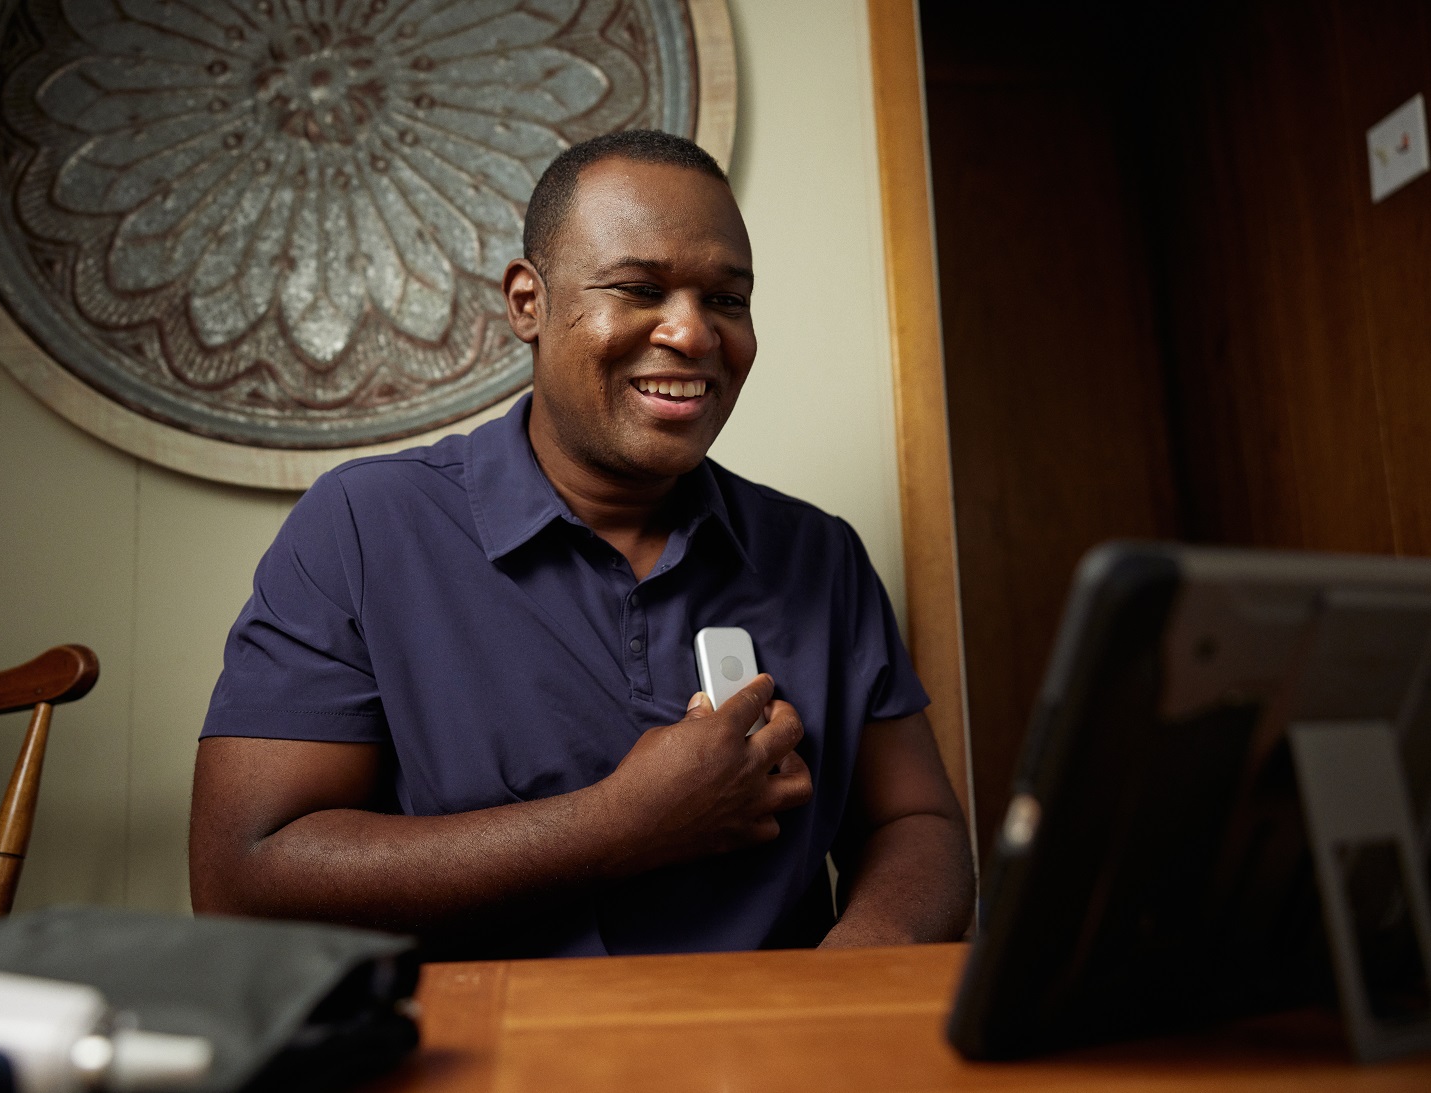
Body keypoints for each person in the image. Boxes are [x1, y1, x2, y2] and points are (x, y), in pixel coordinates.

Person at [189, 130, 974, 958]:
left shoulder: (818, 554)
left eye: (727, 300)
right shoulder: (364, 526)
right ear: (528, 302)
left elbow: (914, 820)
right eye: (639, 288)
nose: (694, 333)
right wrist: (618, 824)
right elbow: (244, 882)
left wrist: (863, 959)